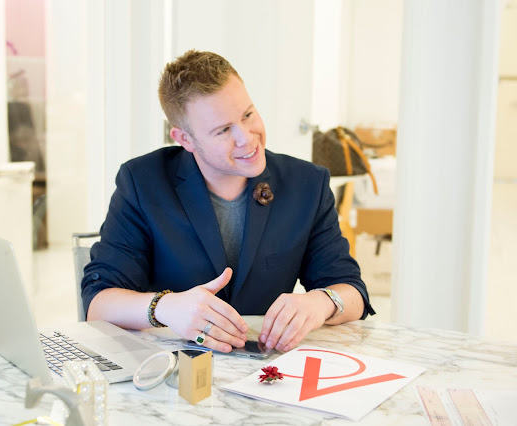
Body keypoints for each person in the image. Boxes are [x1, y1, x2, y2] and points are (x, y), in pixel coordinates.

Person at [82, 50, 375, 354]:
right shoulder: (142, 181)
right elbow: (98, 303)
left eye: (247, 115)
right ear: (185, 139)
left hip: (267, 367)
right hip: (171, 367)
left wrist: (320, 302)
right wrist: (164, 307)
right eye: (223, 130)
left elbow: (353, 292)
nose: (247, 138)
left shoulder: (307, 183)